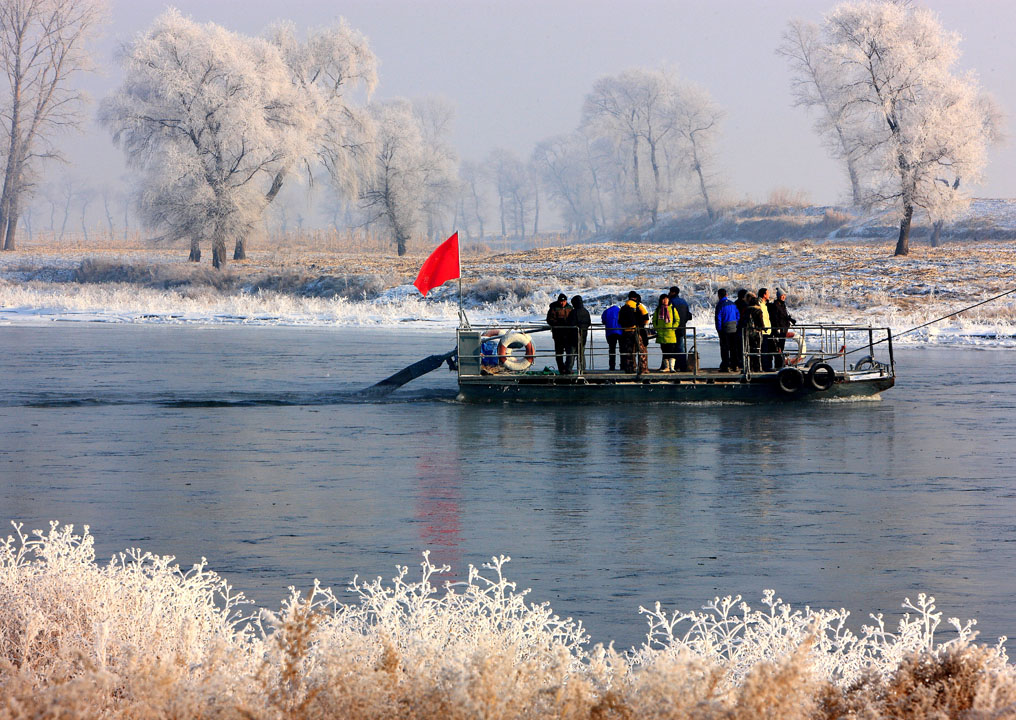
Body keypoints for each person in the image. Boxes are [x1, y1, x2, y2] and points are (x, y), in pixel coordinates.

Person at [618, 291, 649, 373]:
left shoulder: (623, 307)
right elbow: (646, 318)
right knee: (642, 350)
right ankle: (643, 368)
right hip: (637, 331)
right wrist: (643, 324)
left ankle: (630, 368)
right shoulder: (639, 306)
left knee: (629, 351)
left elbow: (619, 320)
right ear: (635, 298)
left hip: (626, 331)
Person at [546, 292, 575, 374]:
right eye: (561, 301)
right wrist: (558, 323)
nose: (562, 303)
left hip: (568, 334)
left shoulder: (570, 308)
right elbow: (549, 320)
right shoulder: (554, 308)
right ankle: (561, 369)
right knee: (559, 353)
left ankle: (567, 368)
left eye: (564, 301)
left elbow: (573, 318)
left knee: (569, 352)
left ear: (566, 301)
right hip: (558, 334)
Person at [767, 288, 796, 369]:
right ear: (778, 296)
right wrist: (777, 328)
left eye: (784, 295)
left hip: (783, 329)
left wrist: (790, 319)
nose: (783, 297)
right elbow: (775, 318)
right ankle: (778, 365)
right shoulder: (776, 305)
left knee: (781, 347)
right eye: (782, 296)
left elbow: (785, 315)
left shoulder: (783, 305)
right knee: (777, 348)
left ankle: (780, 365)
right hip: (779, 330)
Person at [652, 294, 681, 372]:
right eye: (662, 299)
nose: (664, 301)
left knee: (671, 351)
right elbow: (654, 320)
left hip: (670, 333)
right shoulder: (658, 310)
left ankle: (672, 367)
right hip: (661, 334)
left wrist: (673, 327)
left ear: (668, 300)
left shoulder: (672, 309)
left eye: (665, 299)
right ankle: (666, 367)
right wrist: (657, 328)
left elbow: (677, 319)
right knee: (664, 351)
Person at [714, 288, 740, 372]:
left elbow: (718, 319)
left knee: (725, 348)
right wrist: (736, 324)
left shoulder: (720, 305)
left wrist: (719, 330)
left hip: (724, 329)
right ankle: (735, 365)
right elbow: (738, 315)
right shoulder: (732, 304)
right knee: (733, 348)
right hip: (734, 328)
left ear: (719, 296)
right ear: (726, 295)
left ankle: (726, 366)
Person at [668, 286, 693, 371]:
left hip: (673, 328)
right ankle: (683, 365)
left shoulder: (671, 302)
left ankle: (674, 366)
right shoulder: (684, 301)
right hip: (682, 327)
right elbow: (688, 315)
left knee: (672, 347)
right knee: (681, 346)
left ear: (672, 292)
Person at [571, 295, 591, 372]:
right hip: (583, 335)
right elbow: (588, 323)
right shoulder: (586, 312)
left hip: (574, 336)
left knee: (571, 354)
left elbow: (570, 323)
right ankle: (582, 369)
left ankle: (569, 369)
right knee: (581, 353)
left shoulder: (573, 312)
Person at [744, 293, 764, 372]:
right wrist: (763, 328)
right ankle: (758, 368)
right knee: (757, 350)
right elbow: (760, 322)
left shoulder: (747, 310)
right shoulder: (758, 310)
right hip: (757, 332)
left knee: (749, 350)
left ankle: (749, 367)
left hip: (748, 332)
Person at [600, 299, 622, 371]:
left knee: (612, 350)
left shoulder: (606, 311)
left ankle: (612, 366)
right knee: (622, 350)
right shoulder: (620, 310)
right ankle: (623, 365)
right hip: (620, 332)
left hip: (610, 332)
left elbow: (603, 321)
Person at [757, 287, 774, 371]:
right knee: (764, 350)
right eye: (768, 293)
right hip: (763, 331)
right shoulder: (759, 304)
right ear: (764, 295)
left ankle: (767, 366)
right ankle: (764, 367)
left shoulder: (764, 304)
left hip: (767, 330)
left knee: (767, 350)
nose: (769, 295)